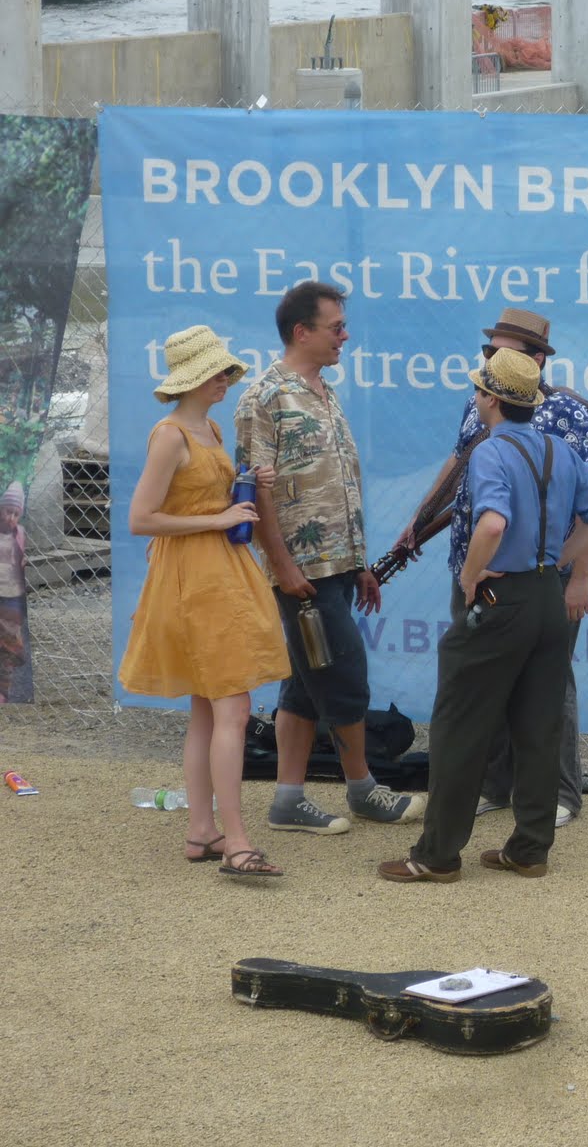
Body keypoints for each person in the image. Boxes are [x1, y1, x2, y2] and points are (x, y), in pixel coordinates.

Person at [378, 347, 588, 883]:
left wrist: (470, 576)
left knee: (459, 723)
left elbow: (490, 524)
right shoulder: (559, 449)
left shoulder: (490, 451)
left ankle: (437, 854)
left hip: (499, 597)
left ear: (489, 398)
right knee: (538, 723)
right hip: (548, 598)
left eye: (480, 391)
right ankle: (530, 847)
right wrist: (563, 558)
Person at [234, 280, 423, 835]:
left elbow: (336, 485)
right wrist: (283, 565)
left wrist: (359, 561)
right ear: (302, 331)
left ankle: (288, 800)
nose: (346, 335)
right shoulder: (265, 398)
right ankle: (363, 790)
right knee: (344, 675)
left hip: (337, 568)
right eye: (335, 326)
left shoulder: (322, 390)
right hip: (304, 576)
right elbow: (254, 490)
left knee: (305, 682)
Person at [117, 326, 292, 878]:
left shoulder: (207, 426)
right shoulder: (169, 433)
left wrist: (244, 482)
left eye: (226, 372)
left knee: (207, 708)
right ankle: (236, 841)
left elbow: (197, 492)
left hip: (217, 574)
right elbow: (140, 518)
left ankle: (203, 830)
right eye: (219, 373)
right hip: (195, 579)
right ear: (194, 378)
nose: (227, 380)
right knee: (231, 708)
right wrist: (218, 517)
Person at [0, 482, 30, 703]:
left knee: (9, 649)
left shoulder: (20, 533)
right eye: (7, 511)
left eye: (15, 514)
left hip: (12, 599)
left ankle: (3, 692)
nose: (10, 517)